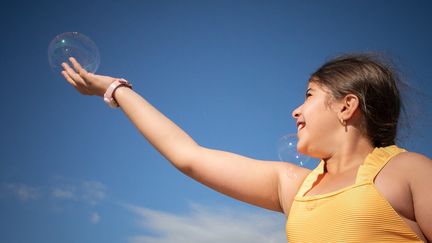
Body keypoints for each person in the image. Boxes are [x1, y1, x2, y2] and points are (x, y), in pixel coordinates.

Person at [61, 53, 431, 242]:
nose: (296, 110)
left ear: (347, 106)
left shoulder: (407, 171)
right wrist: (116, 90)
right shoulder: (295, 187)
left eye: (309, 95)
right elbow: (189, 157)